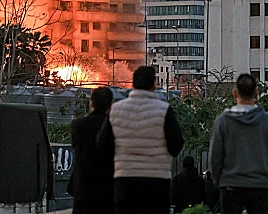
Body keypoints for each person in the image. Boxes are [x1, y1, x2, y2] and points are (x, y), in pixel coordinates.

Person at [97, 66, 184, 214]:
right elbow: (176, 144)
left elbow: (102, 144)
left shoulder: (116, 110)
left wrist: (120, 160)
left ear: (132, 84)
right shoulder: (164, 109)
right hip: (157, 181)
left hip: (125, 180)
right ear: (153, 85)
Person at [208, 73, 268, 214]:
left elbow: (215, 157)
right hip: (259, 185)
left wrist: (219, 181)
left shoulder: (223, 121)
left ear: (235, 93)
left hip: (230, 185)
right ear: (256, 93)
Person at [69, 86, 115, 214]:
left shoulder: (78, 125)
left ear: (91, 103)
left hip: (83, 188)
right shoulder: (114, 127)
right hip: (107, 188)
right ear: (111, 104)